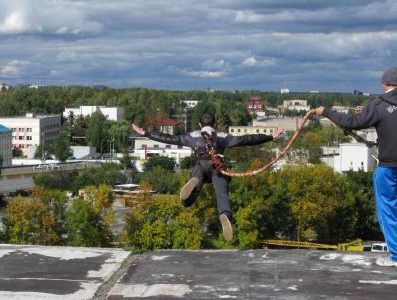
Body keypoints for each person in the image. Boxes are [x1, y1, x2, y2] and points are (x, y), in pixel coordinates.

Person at [132, 113, 284, 241]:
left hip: (201, 166)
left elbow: (169, 139)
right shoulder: (223, 136)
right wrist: (270, 136)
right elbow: (247, 140)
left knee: (190, 192)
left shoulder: (192, 136)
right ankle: (224, 214)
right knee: (222, 195)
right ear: (215, 124)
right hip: (218, 168)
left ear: (200, 124)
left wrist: (146, 133)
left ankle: (193, 183)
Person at [313, 66, 397, 267]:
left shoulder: (379, 105)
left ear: (384, 84)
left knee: (388, 208)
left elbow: (352, 121)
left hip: (389, 167)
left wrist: (326, 112)